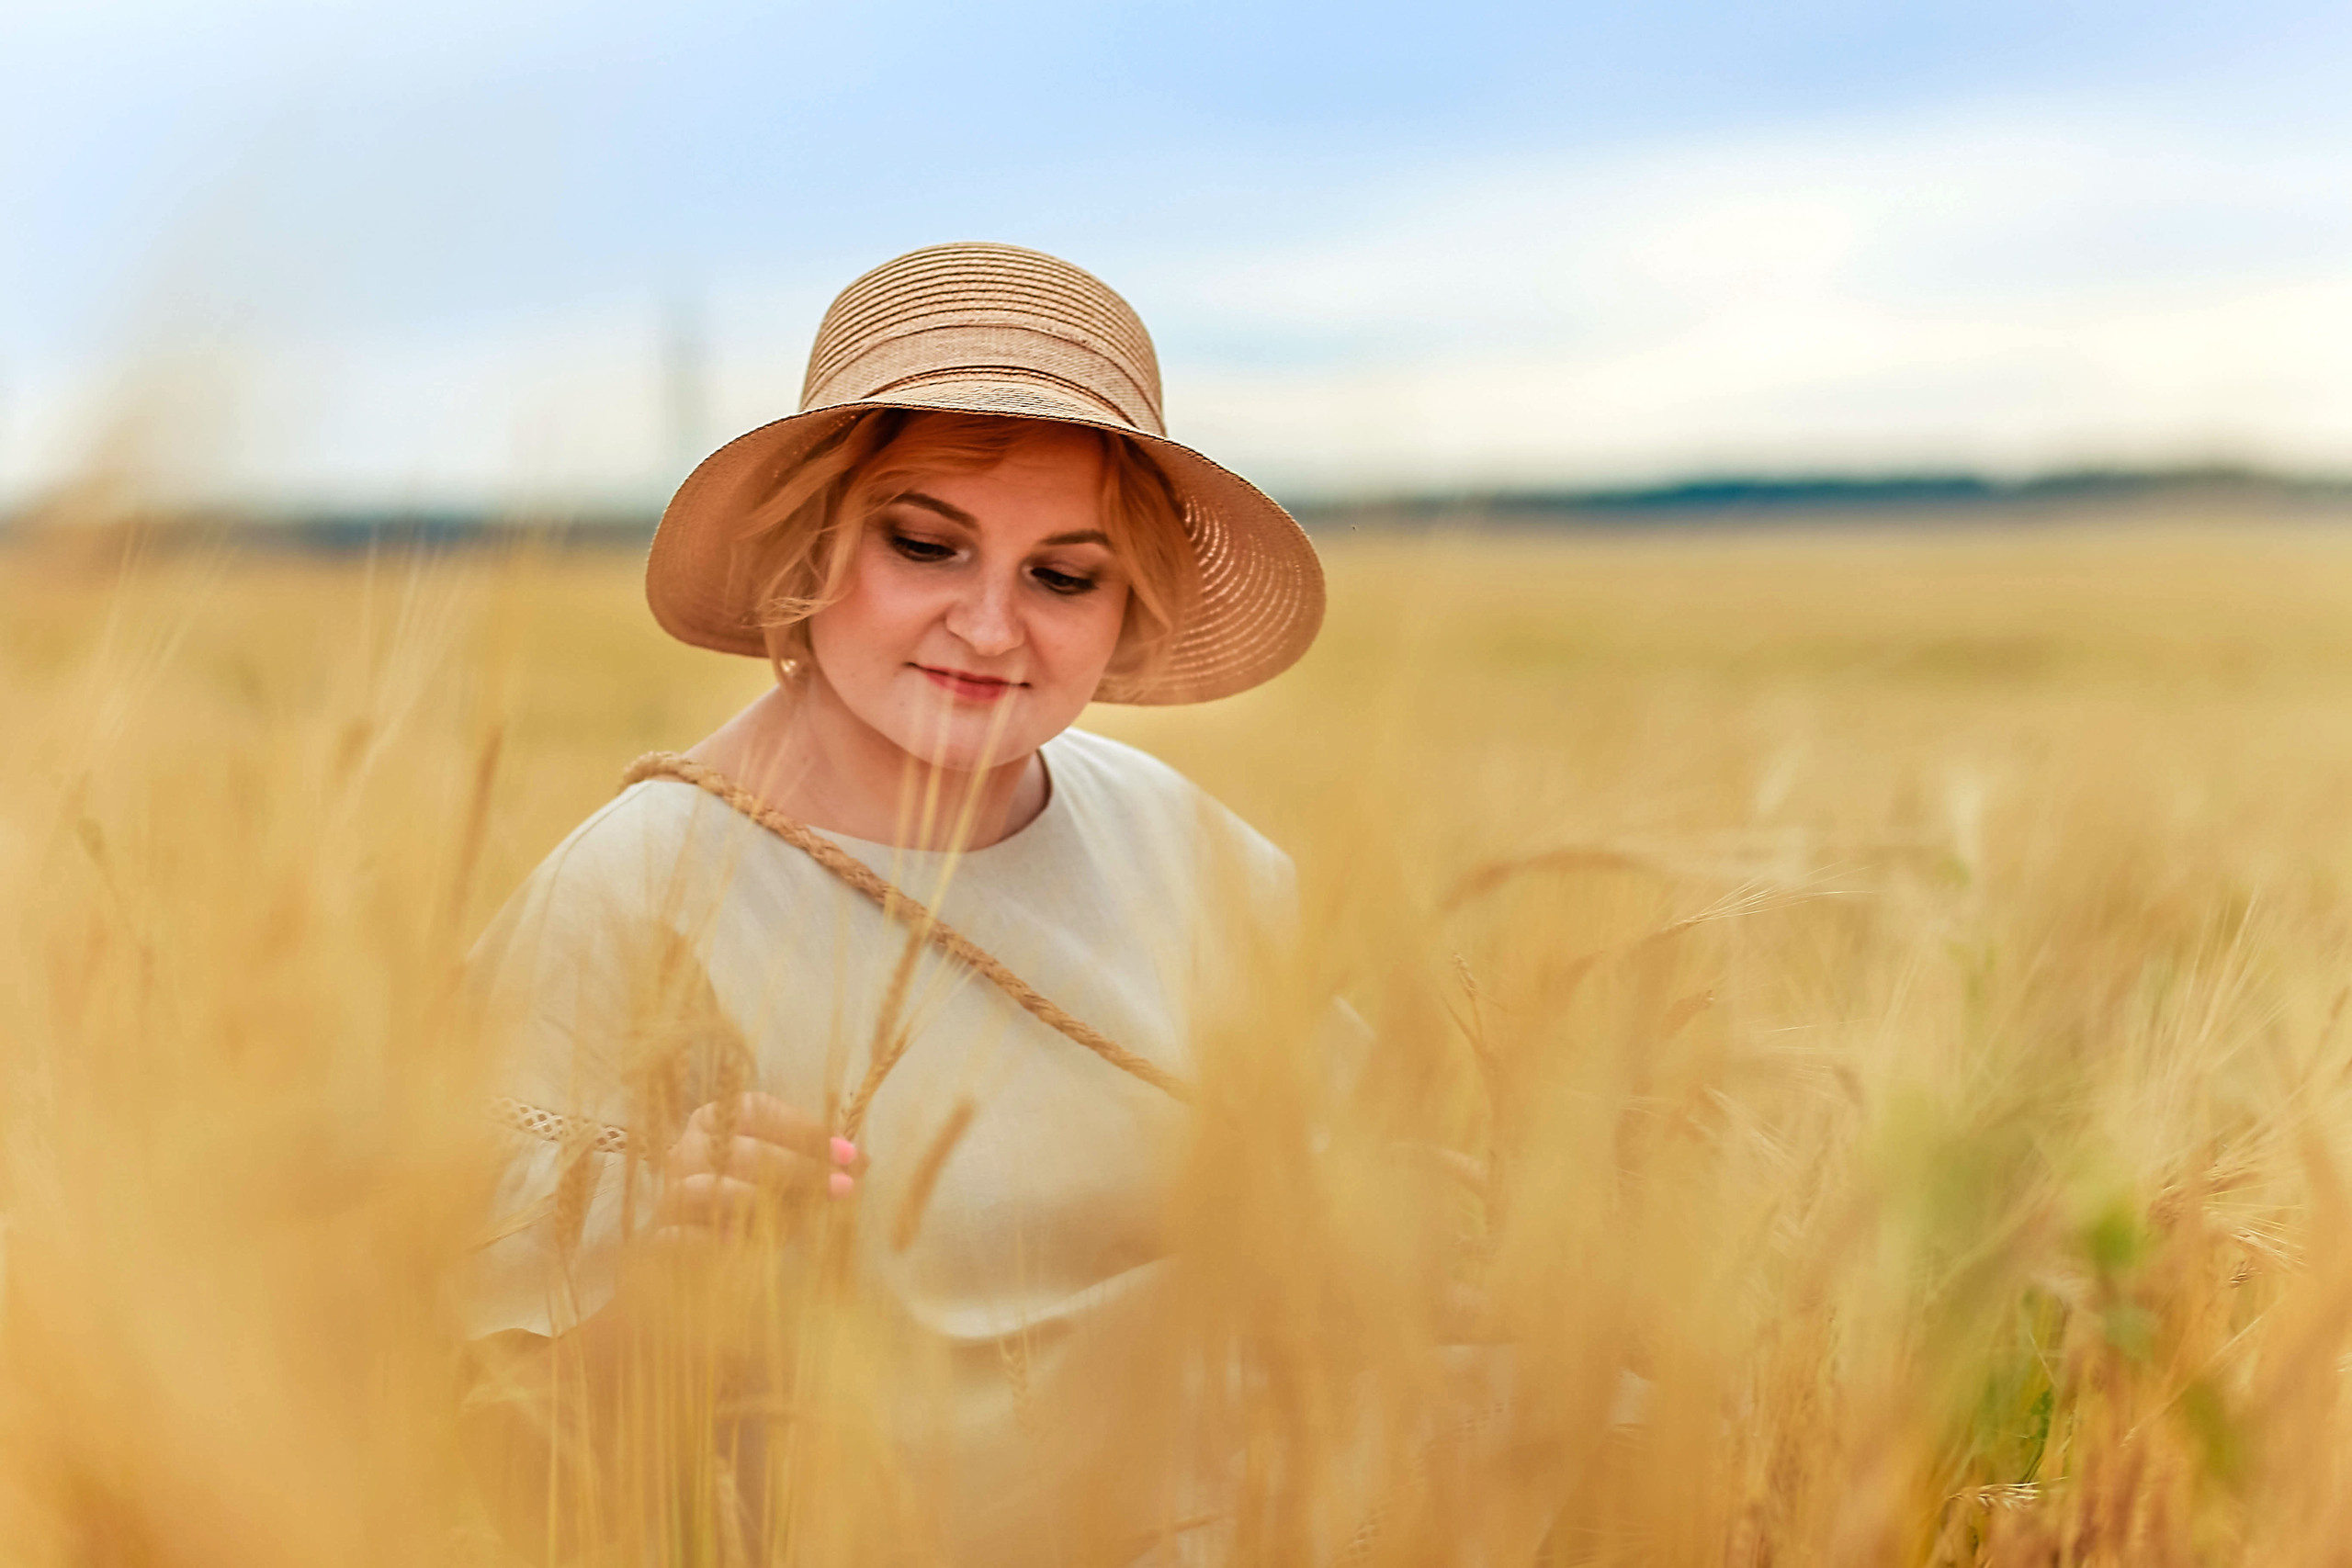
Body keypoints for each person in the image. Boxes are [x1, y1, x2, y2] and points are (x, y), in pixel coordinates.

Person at [461, 242, 1328, 1566]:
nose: (989, 627)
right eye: (927, 546)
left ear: (1124, 605)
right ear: (810, 547)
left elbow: (1401, 1241)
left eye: (1063, 574)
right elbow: (474, 1447)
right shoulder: (637, 891)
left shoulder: (1195, 849)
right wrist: (680, 1287)